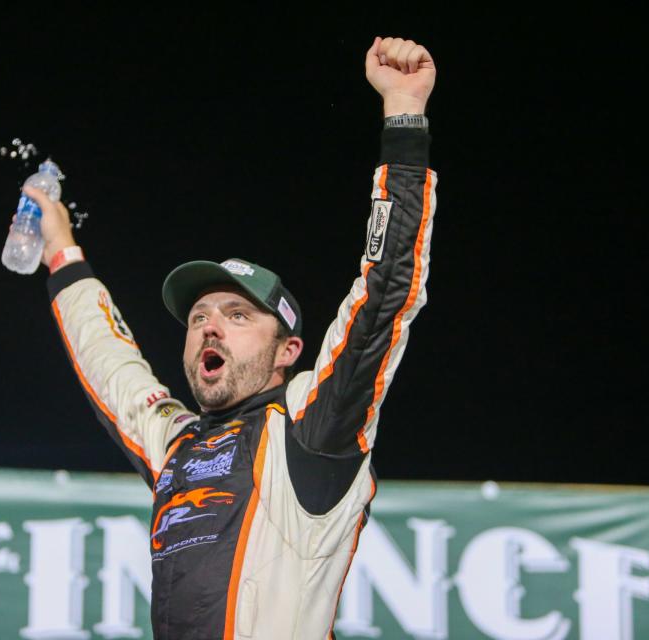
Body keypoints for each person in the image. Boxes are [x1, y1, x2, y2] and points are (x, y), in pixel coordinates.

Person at [24, 35, 437, 640]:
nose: (210, 324)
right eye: (198, 317)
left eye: (239, 316)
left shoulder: (311, 431)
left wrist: (403, 116)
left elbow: (385, 295)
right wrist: (62, 254)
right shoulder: (177, 443)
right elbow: (110, 361)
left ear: (288, 352)